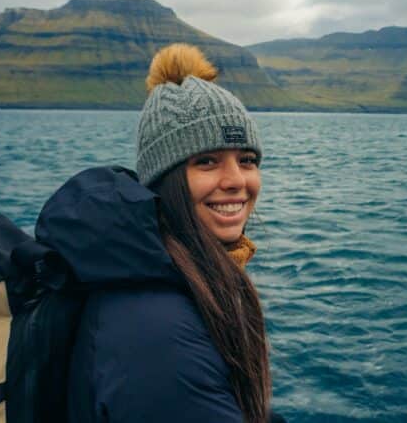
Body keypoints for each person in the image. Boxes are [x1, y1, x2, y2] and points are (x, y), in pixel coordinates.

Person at [64, 44, 282, 423]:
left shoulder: (178, 275)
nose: (236, 181)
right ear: (164, 181)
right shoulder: (158, 331)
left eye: (246, 160)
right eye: (207, 162)